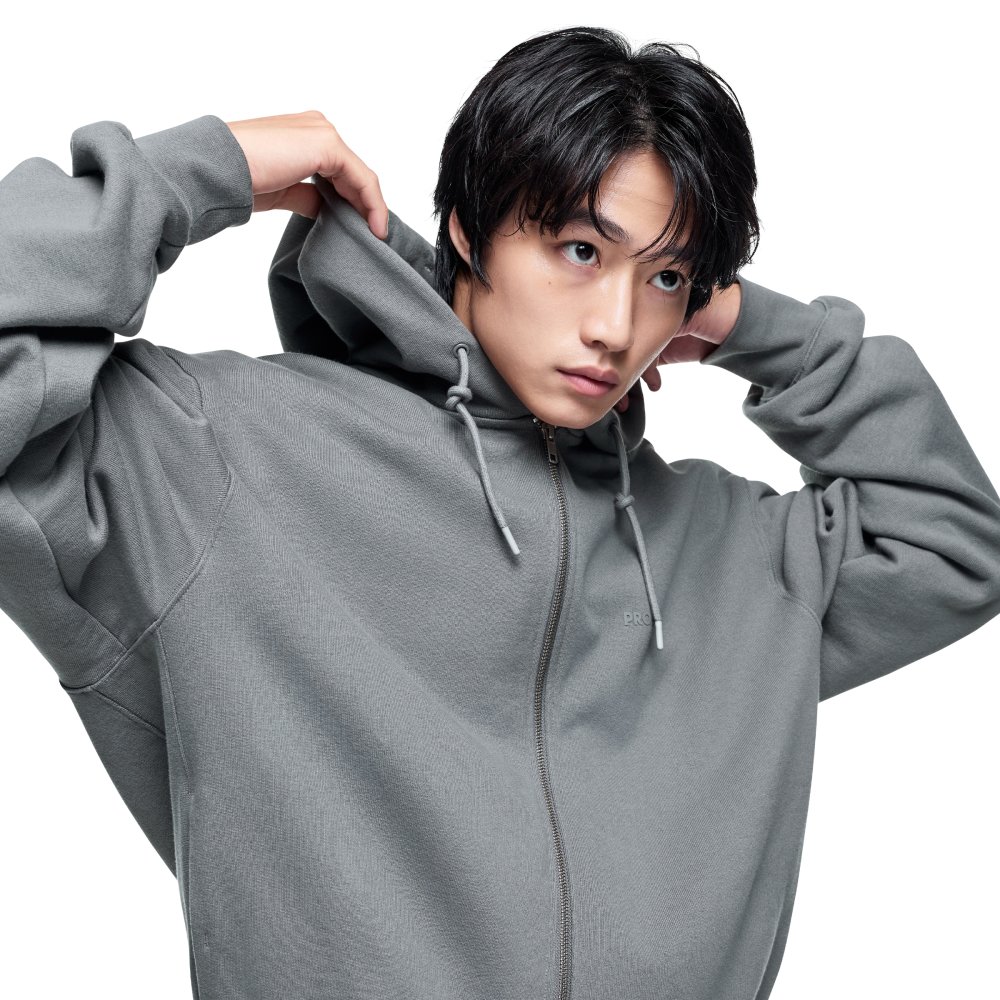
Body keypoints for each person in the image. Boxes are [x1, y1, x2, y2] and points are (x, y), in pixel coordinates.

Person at [2, 24, 998, 1000]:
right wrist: (208, 167)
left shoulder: (730, 550)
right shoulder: (218, 456)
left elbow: (955, 537)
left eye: (664, 278)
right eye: (579, 249)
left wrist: (752, 324)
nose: (616, 327)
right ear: (469, 229)